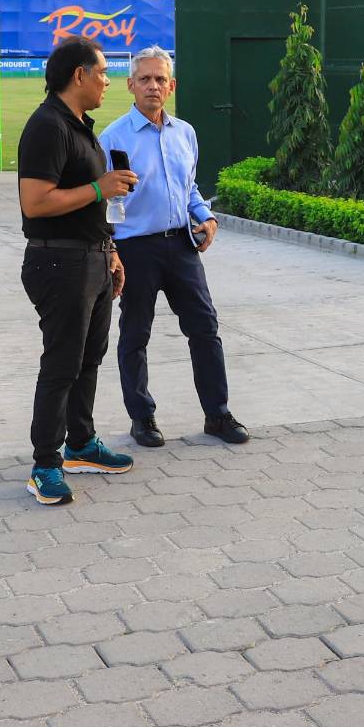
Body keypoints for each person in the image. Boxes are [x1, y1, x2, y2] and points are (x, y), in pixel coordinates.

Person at [99, 45, 249, 448]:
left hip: (182, 247)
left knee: (205, 329)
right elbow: (108, 201)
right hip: (136, 250)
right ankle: (142, 418)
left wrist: (206, 216)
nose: (153, 86)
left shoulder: (185, 133)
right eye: (144, 79)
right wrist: (110, 250)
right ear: (130, 85)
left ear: (172, 85)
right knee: (136, 335)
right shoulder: (113, 137)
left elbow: (189, 189)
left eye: (160, 79)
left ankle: (217, 414)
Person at [17, 38, 139, 506]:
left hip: (90, 258)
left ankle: (81, 444)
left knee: (89, 358)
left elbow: (90, 202)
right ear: (79, 75)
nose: (109, 81)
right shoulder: (48, 126)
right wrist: (99, 186)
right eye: (104, 72)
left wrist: (109, 251)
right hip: (57, 262)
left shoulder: (81, 127)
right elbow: (36, 202)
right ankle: (45, 464)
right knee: (62, 363)